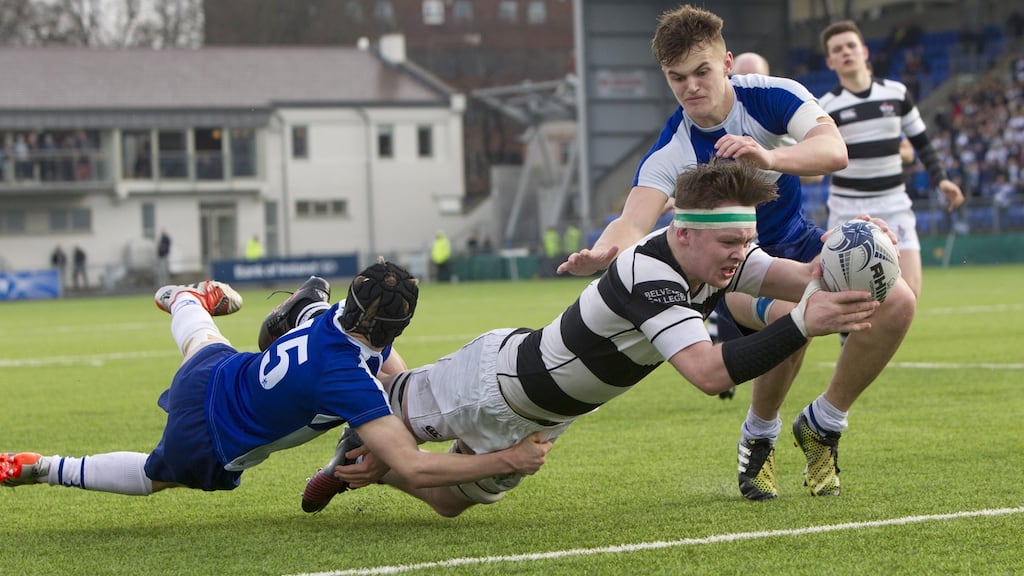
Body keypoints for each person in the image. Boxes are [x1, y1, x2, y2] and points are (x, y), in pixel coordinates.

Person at [288, 161, 882, 518]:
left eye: (744, 239)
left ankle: (366, 469)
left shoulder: (721, 256)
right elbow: (708, 374)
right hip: (494, 382)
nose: (741, 253)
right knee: (383, 399)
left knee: (446, 504)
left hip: (546, 418)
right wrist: (803, 323)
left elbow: (804, 275)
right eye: (730, 241)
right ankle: (321, 317)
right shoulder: (645, 273)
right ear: (685, 234)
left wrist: (849, 245)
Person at [557, 4, 916, 500]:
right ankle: (760, 435)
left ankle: (824, 422)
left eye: (701, 71)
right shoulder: (674, 149)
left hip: (799, 241)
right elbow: (633, 219)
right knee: (796, 313)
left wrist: (768, 156)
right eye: (676, 77)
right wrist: (602, 251)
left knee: (897, 301)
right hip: (735, 271)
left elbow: (833, 151)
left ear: (727, 63)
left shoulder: (773, 98)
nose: (690, 87)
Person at [0, 263, 551, 497]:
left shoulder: (325, 315)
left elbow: (364, 352)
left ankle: (186, 300)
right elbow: (415, 464)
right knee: (152, 476)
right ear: (398, 325)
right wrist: (508, 461)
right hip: (214, 437)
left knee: (202, 340)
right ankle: (46, 469)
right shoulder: (348, 381)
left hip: (219, 373)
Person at [818, 20, 964, 298]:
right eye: (837, 49)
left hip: (894, 203)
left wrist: (942, 179)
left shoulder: (896, 93)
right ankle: (848, 341)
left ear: (864, 51)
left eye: (851, 45)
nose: (846, 52)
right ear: (829, 62)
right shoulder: (824, 106)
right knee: (851, 295)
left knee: (908, 295)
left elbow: (922, 143)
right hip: (847, 208)